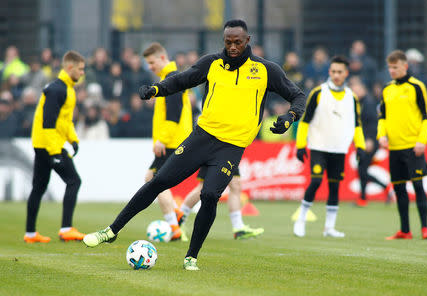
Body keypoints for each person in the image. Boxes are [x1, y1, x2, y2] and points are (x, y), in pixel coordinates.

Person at [83, 19, 306, 271]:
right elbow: (182, 80)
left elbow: (298, 95)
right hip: (202, 138)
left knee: (209, 195)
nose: (232, 47)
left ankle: (191, 257)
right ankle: (111, 231)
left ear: (247, 41)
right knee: (158, 181)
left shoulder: (266, 70)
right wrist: (157, 89)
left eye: (237, 42)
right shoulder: (212, 63)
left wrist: (290, 117)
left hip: (231, 147)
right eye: (228, 42)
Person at [293, 56, 365, 238]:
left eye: (340, 72)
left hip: (339, 148)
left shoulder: (352, 97)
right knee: (316, 181)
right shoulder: (318, 92)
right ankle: (301, 219)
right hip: (318, 146)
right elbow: (305, 121)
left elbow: (357, 124)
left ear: (346, 73)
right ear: (329, 72)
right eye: (333, 71)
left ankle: (329, 227)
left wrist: (360, 146)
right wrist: (301, 145)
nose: (336, 75)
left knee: (334, 187)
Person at [24, 51, 86, 243]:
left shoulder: (66, 89)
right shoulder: (56, 89)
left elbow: (65, 121)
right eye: (80, 68)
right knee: (74, 181)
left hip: (46, 144)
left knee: (39, 187)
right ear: (70, 67)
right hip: (49, 145)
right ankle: (66, 228)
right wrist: (54, 153)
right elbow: (48, 123)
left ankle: (30, 234)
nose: (82, 72)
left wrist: (73, 139)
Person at [138, 42, 192, 240]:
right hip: (172, 141)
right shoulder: (169, 79)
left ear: (162, 58)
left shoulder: (172, 80)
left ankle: (175, 223)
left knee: (153, 181)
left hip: (172, 142)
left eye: (152, 62)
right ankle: (175, 220)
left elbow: (173, 115)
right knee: (153, 180)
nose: (150, 67)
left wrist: (162, 139)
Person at [378, 50, 427, 240]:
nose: (392, 71)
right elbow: (382, 118)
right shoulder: (387, 89)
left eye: (395, 67)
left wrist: (422, 140)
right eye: (390, 67)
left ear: (405, 66)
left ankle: (425, 228)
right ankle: (405, 230)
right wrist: (381, 136)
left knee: (418, 186)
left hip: (413, 146)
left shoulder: (417, 87)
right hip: (394, 148)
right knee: (399, 189)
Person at [179, 167, 264, 240]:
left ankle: (239, 228)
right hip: (215, 150)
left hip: (231, 152)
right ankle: (178, 222)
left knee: (235, 185)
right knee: (203, 186)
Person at [349, 77, 394, 207]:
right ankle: (379, 191)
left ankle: (364, 198)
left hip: (369, 141)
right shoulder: (360, 102)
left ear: (362, 88)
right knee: (362, 170)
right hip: (363, 141)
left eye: (356, 88)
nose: (354, 91)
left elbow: (373, 124)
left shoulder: (368, 103)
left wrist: (370, 140)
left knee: (362, 170)